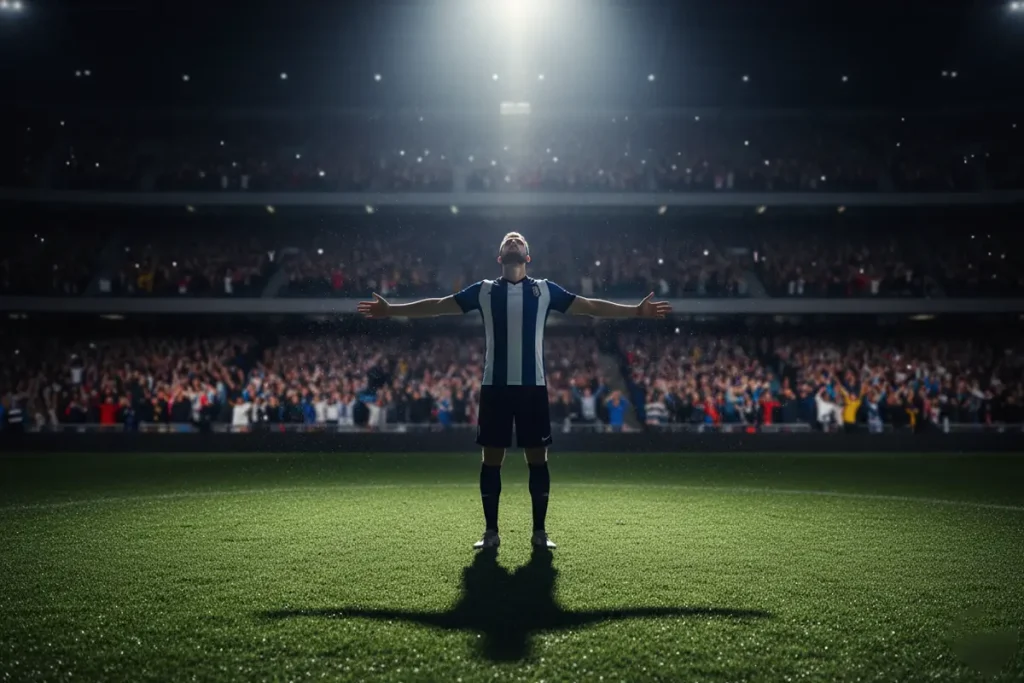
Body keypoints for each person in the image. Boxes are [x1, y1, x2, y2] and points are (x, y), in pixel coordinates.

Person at [359, 231, 671, 551]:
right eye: (507, 240)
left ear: (527, 256)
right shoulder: (483, 291)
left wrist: (635, 311)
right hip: (494, 388)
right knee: (491, 459)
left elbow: (589, 305)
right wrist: (391, 310)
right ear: (499, 257)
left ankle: (539, 532)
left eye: (518, 239)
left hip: (531, 387)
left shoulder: (544, 290)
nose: (512, 240)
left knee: (537, 459)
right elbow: (439, 305)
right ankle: (491, 532)